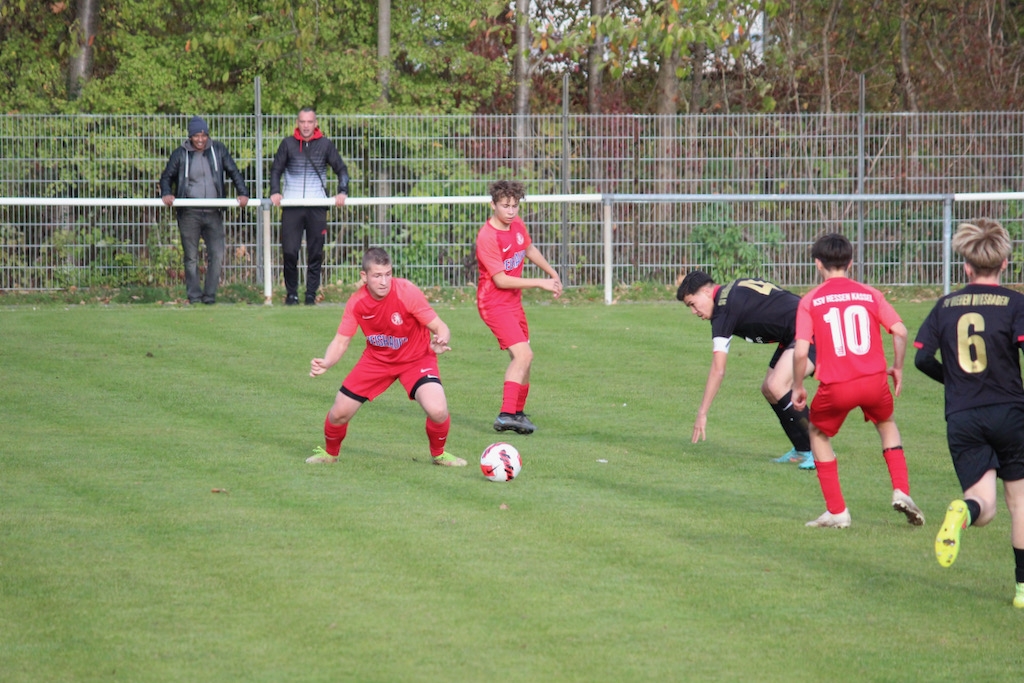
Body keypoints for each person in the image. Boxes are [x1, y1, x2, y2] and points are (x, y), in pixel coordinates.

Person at [913, 219, 1024, 608]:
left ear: (966, 267)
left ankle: (964, 510)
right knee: (1018, 503)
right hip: (1010, 413)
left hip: (963, 416)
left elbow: (921, 358)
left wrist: (956, 382)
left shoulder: (945, 306)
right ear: (1005, 263)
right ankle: (1022, 590)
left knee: (984, 507)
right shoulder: (1015, 303)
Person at [792, 232, 925, 529]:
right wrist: (897, 367)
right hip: (874, 381)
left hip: (837, 385)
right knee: (886, 424)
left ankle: (837, 511)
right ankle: (901, 490)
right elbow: (901, 331)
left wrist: (798, 386)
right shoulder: (870, 293)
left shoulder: (810, 300)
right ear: (851, 263)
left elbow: (801, 352)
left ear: (818, 264)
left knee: (817, 433)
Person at [305, 247, 466, 467]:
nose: (384, 281)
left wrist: (441, 339)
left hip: (417, 359)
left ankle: (439, 455)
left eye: (388, 274)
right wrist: (327, 362)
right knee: (339, 413)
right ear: (364, 276)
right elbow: (342, 340)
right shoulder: (357, 302)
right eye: (377, 275)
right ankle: (329, 454)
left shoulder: (406, 292)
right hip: (376, 361)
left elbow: (440, 326)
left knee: (437, 410)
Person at [677, 271, 817, 470]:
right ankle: (803, 449)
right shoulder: (730, 293)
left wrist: (702, 412)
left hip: (809, 328)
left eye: (692, 304)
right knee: (769, 389)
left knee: (777, 385)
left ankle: (821, 451)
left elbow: (718, 369)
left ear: (707, 292)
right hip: (794, 330)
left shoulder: (722, 310)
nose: (693, 311)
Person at [475, 180, 562, 435]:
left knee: (524, 359)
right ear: (492, 205)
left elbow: (528, 248)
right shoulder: (487, 237)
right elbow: (501, 280)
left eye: (515, 206)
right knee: (524, 355)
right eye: (505, 206)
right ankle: (505, 415)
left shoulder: (517, 225)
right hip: (493, 304)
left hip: (513, 303)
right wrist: (540, 283)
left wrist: (552, 272)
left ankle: (518, 414)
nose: (511, 211)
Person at [159, 115, 249, 304]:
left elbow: (234, 172)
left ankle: (209, 296)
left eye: (203, 135)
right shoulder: (180, 154)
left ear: (207, 135)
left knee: (217, 254)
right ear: (190, 136)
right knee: (191, 257)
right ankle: (194, 296)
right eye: (196, 136)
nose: (200, 139)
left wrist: (243, 193)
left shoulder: (218, 150)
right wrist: (167, 193)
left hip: (213, 211)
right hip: (189, 212)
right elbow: (166, 176)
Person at [269, 107, 349, 306]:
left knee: (315, 253)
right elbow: (276, 170)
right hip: (292, 206)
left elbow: (341, 169)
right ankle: (292, 294)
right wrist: (275, 191)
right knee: (290, 252)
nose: (306, 126)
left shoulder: (325, 145)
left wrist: (342, 191)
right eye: (302, 122)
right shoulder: (287, 144)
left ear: (315, 123)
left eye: (309, 122)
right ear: (298, 123)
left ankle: (311, 294)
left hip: (317, 206)